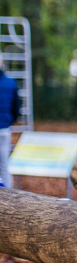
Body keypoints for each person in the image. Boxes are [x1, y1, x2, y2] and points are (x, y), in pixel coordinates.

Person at [0, 56, 20, 188]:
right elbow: (16, 109)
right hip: (4, 130)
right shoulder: (11, 83)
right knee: (4, 165)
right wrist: (8, 121)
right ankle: (9, 194)